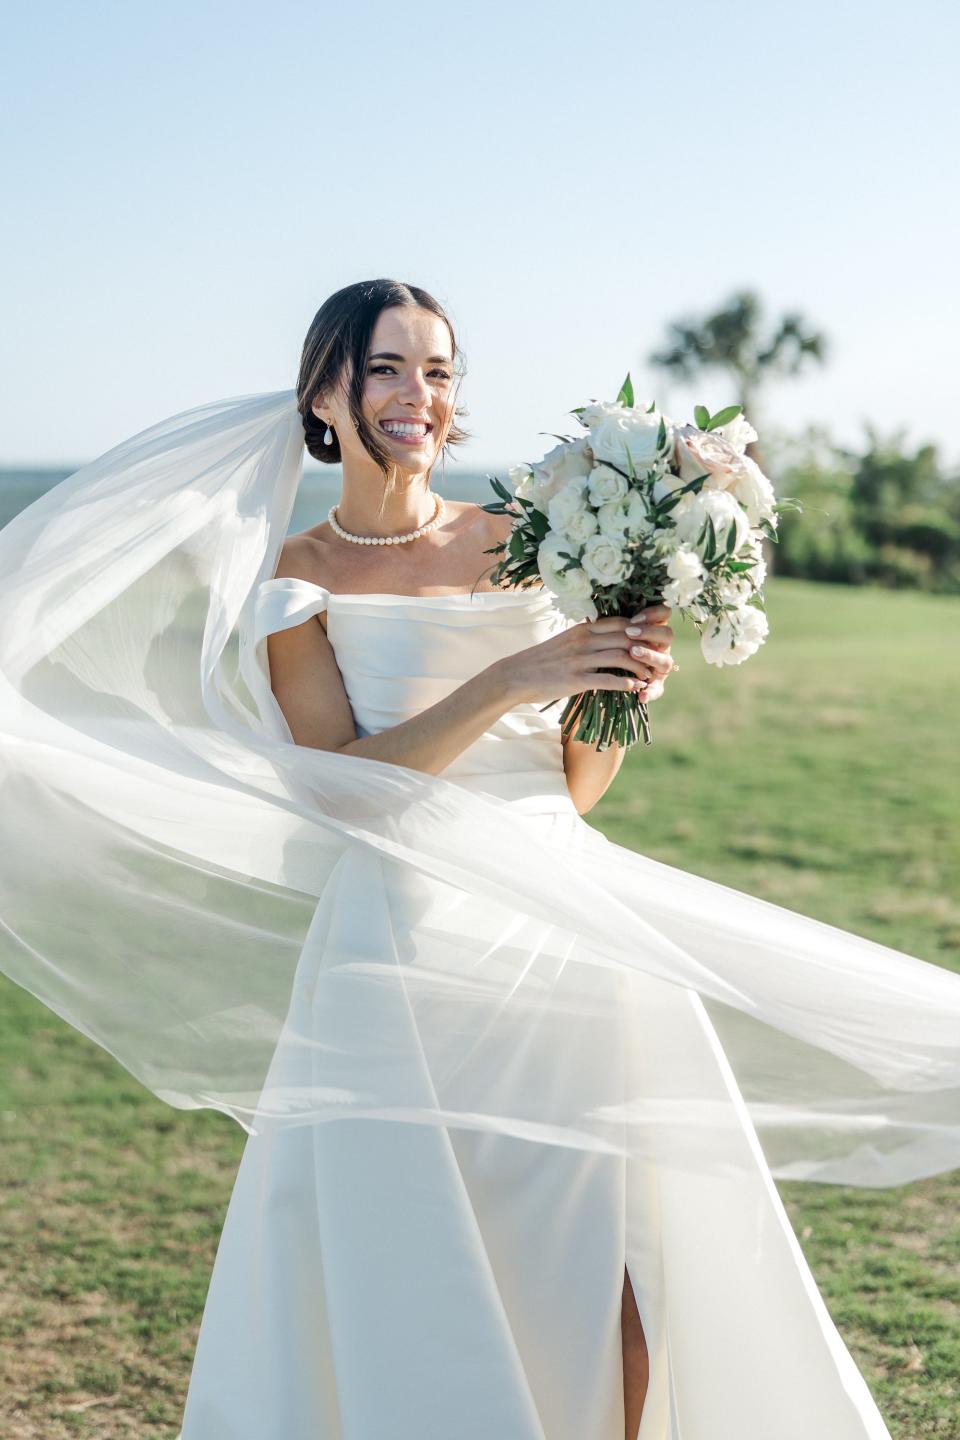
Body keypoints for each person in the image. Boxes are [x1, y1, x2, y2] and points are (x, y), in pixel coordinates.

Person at [1, 279, 958, 1440]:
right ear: (326, 392)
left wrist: (615, 690)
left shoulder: (527, 542)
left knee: (624, 1258)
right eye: (389, 367)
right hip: (404, 936)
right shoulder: (294, 577)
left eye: (439, 371)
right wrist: (513, 676)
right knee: (427, 1265)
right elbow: (348, 785)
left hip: (565, 927)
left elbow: (570, 784)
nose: (418, 395)